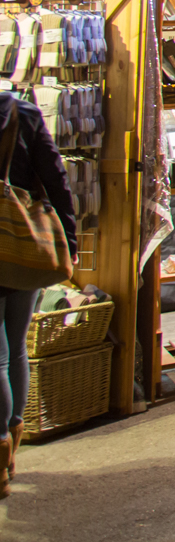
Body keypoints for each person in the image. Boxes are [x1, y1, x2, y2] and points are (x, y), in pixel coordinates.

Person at [0, 87, 77, 493]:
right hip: (24, 245)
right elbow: (57, 179)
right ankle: (11, 442)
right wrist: (71, 242)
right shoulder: (23, 111)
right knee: (15, 348)